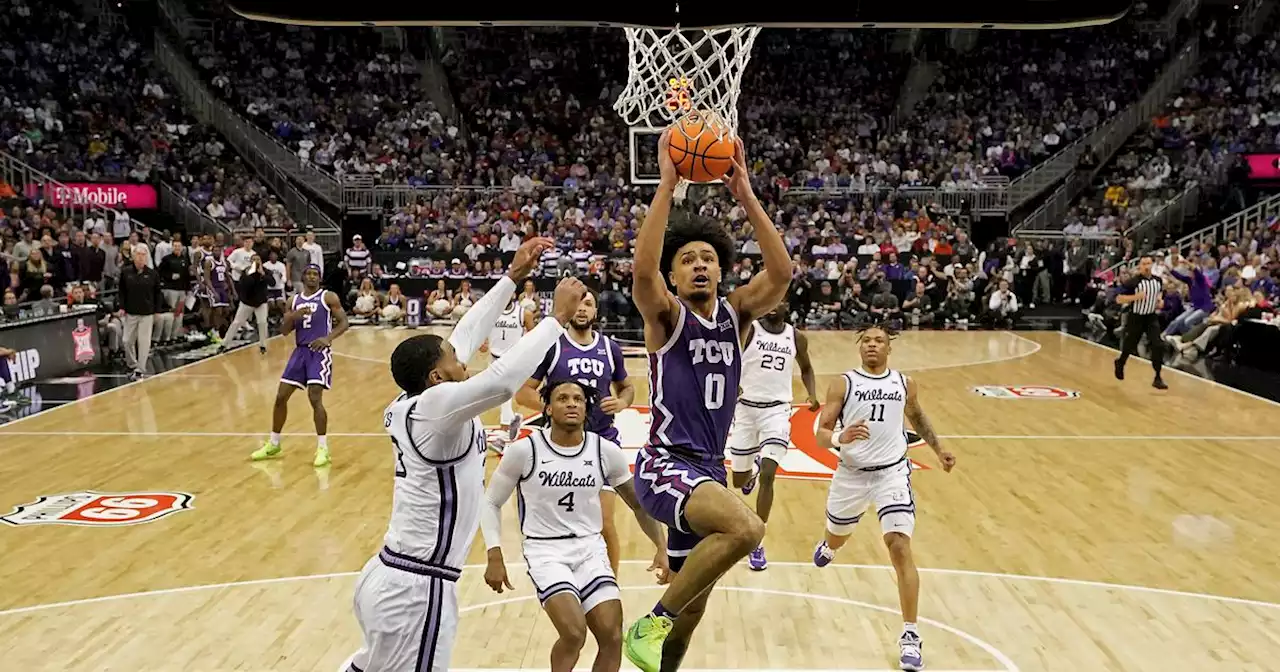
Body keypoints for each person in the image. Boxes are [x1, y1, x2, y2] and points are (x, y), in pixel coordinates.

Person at [341, 238, 581, 672]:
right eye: (453, 359)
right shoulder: (434, 408)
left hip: (394, 575)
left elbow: (466, 333)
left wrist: (511, 277)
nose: (462, 357)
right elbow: (503, 383)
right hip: (416, 588)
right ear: (437, 376)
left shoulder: (415, 400)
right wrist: (557, 319)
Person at [624, 131, 792, 672]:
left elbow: (783, 274)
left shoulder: (738, 313)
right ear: (675, 276)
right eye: (687, 261)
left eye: (707, 259)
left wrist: (745, 193)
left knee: (691, 612)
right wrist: (667, 186)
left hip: (707, 471)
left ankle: (664, 640)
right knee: (747, 529)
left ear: (721, 270)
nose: (698, 265)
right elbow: (641, 273)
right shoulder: (666, 317)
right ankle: (650, 622)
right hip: (665, 463)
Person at [481, 379, 668, 672]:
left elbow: (637, 504)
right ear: (548, 408)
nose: (571, 403)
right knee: (573, 632)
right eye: (563, 398)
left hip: (590, 548)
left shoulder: (605, 451)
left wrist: (661, 546)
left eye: (578, 399)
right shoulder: (524, 451)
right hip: (545, 550)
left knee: (612, 635)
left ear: (586, 408)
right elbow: (490, 502)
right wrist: (494, 553)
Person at [813, 323, 956, 671]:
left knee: (899, 545)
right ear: (859, 346)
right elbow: (820, 433)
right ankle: (830, 545)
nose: (872, 345)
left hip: (892, 473)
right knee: (837, 536)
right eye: (867, 341)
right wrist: (838, 437)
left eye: (879, 340)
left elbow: (918, 417)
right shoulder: (844, 384)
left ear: (889, 348)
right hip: (851, 476)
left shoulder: (904, 384)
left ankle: (910, 634)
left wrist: (938, 449)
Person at [515, 290, 637, 574]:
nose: (582, 309)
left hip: (602, 441)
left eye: (589, 304)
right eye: (578, 303)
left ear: (596, 312)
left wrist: (621, 402)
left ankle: (610, 589)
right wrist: (552, 406)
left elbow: (627, 387)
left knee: (605, 522)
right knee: (564, 523)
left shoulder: (610, 348)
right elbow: (523, 393)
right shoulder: (553, 346)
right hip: (560, 446)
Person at [727, 298, 819, 571]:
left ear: (787, 306)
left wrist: (812, 392)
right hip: (745, 409)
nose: (772, 306)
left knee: (770, 472)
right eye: (769, 302)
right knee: (737, 480)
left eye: (779, 302)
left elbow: (807, 368)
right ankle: (750, 471)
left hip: (777, 410)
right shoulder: (751, 330)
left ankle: (757, 540)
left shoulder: (796, 337)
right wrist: (734, 385)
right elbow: (730, 358)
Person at [251, 265, 349, 467]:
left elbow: (344, 322)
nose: (312, 277)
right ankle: (274, 443)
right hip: (300, 352)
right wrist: (292, 317)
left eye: (316, 274)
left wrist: (328, 338)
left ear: (319, 279)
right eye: (309, 274)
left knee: (314, 397)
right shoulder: (292, 301)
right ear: (302, 277)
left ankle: (323, 448)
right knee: (280, 397)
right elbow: (284, 331)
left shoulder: (328, 297)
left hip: (319, 353)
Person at [485, 291, 536, 437]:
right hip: (494, 358)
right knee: (491, 394)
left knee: (504, 392)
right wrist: (483, 341)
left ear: (513, 295)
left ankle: (504, 431)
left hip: (513, 358)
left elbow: (534, 335)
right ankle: (515, 418)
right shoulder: (492, 313)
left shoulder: (523, 313)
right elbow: (483, 329)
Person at [1114, 255, 1168, 389]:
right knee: (1129, 345)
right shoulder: (1133, 282)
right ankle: (1121, 362)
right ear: (1140, 266)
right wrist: (1135, 297)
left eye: (1149, 263)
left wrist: (1160, 301)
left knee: (1158, 344)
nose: (1146, 266)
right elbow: (1118, 299)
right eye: (1144, 264)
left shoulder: (1158, 280)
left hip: (1151, 317)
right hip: (1136, 317)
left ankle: (1157, 376)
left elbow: (1159, 294)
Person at [118, 246, 163, 380]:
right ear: (133, 256)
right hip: (130, 312)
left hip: (147, 313)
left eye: (144, 255)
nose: (141, 257)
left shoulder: (152, 274)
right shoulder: (126, 272)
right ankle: (132, 364)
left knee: (144, 342)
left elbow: (158, 293)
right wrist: (121, 307)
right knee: (126, 341)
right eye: (138, 254)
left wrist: (157, 310)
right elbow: (121, 292)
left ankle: (140, 369)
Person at [220, 254, 271, 354]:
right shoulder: (246, 272)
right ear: (250, 262)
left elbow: (272, 282)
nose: (256, 261)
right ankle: (224, 344)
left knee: (262, 322)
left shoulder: (265, 270)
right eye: (254, 260)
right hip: (247, 302)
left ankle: (263, 345)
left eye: (258, 259)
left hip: (261, 302)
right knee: (237, 322)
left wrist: (263, 274)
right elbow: (244, 286)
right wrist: (251, 275)